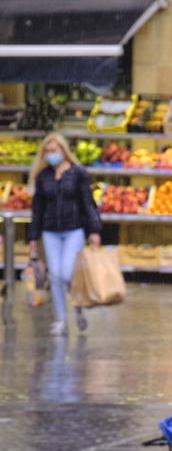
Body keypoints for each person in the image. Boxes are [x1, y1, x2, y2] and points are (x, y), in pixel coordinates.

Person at [27, 133, 101, 337]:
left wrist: (94, 230)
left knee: (67, 273)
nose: (51, 155)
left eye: (54, 150)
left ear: (64, 150)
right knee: (55, 275)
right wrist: (32, 238)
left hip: (74, 229)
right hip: (50, 231)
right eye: (48, 151)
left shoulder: (78, 174)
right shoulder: (43, 177)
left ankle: (77, 307)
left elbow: (88, 204)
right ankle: (61, 319)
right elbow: (37, 209)